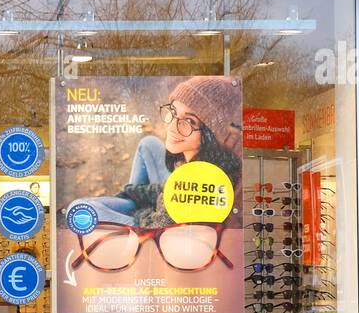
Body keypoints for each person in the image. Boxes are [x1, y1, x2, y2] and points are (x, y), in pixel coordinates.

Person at [75, 76, 243, 229]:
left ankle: (130, 203)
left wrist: (141, 209)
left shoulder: (198, 179)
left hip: (150, 228)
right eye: (174, 113)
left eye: (189, 121)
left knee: (80, 209)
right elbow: (166, 188)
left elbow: (156, 226)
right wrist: (133, 191)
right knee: (148, 144)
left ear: (209, 133)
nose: (172, 126)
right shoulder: (204, 159)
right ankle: (129, 200)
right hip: (163, 203)